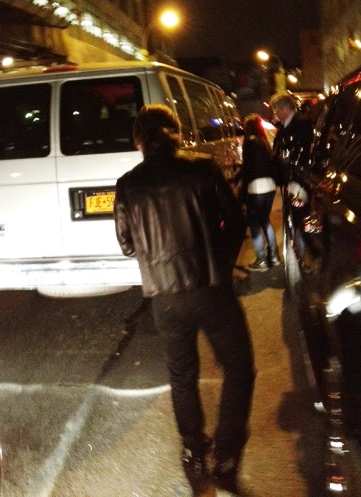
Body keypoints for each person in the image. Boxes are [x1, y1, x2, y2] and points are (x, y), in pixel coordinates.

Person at [114, 104, 255, 496]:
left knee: (182, 375)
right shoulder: (202, 169)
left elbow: (127, 244)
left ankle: (193, 450)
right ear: (175, 134)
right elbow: (236, 220)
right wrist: (219, 262)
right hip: (211, 289)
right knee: (238, 368)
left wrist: (152, 253)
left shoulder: (128, 185)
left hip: (165, 298)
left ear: (139, 141)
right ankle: (226, 456)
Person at [270, 91, 314, 260]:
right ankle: (302, 253)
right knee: (295, 218)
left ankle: (305, 255)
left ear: (284, 108)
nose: (275, 113)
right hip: (289, 179)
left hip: (299, 180)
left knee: (299, 218)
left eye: (276, 109)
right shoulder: (285, 126)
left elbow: (302, 153)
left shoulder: (302, 123)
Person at [235, 114, 280, 272]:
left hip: (257, 187)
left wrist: (239, 185)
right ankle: (274, 256)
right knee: (265, 220)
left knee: (253, 223)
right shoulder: (264, 142)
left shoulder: (249, 143)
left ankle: (261, 259)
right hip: (270, 186)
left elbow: (247, 168)